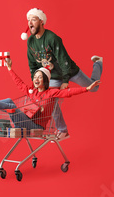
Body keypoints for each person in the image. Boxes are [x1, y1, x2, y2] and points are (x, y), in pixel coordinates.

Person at [21, 8, 103, 139]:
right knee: (50, 101)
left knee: (94, 87)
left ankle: (98, 63)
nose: (30, 22)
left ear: (41, 22)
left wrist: (65, 81)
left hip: (69, 71)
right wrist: (35, 82)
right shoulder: (30, 42)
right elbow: (33, 65)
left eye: (34, 19)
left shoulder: (52, 38)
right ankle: (63, 130)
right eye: (28, 20)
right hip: (52, 76)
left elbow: (64, 60)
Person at [0, 60, 101, 131]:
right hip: (25, 120)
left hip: (36, 127)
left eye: (39, 77)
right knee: (9, 101)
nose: (36, 79)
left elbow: (68, 92)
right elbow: (19, 83)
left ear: (45, 80)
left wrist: (87, 88)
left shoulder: (51, 93)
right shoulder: (33, 91)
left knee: (11, 106)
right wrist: (10, 69)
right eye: (35, 77)